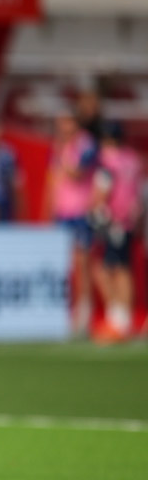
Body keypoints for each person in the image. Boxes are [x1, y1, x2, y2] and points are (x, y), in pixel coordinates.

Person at [45, 109, 98, 336]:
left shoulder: (86, 144)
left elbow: (77, 174)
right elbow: (52, 180)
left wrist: (62, 154)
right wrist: (48, 211)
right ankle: (66, 311)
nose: (62, 128)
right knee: (64, 264)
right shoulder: (58, 147)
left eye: (66, 123)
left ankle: (84, 313)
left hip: (81, 211)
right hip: (62, 212)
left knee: (83, 263)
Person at [90, 122, 143, 341]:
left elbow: (102, 191)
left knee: (110, 269)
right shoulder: (133, 159)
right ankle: (122, 318)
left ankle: (119, 319)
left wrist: (96, 212)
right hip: (129, 220)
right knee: (121, 268)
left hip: (113, 220)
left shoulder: (108, 161)